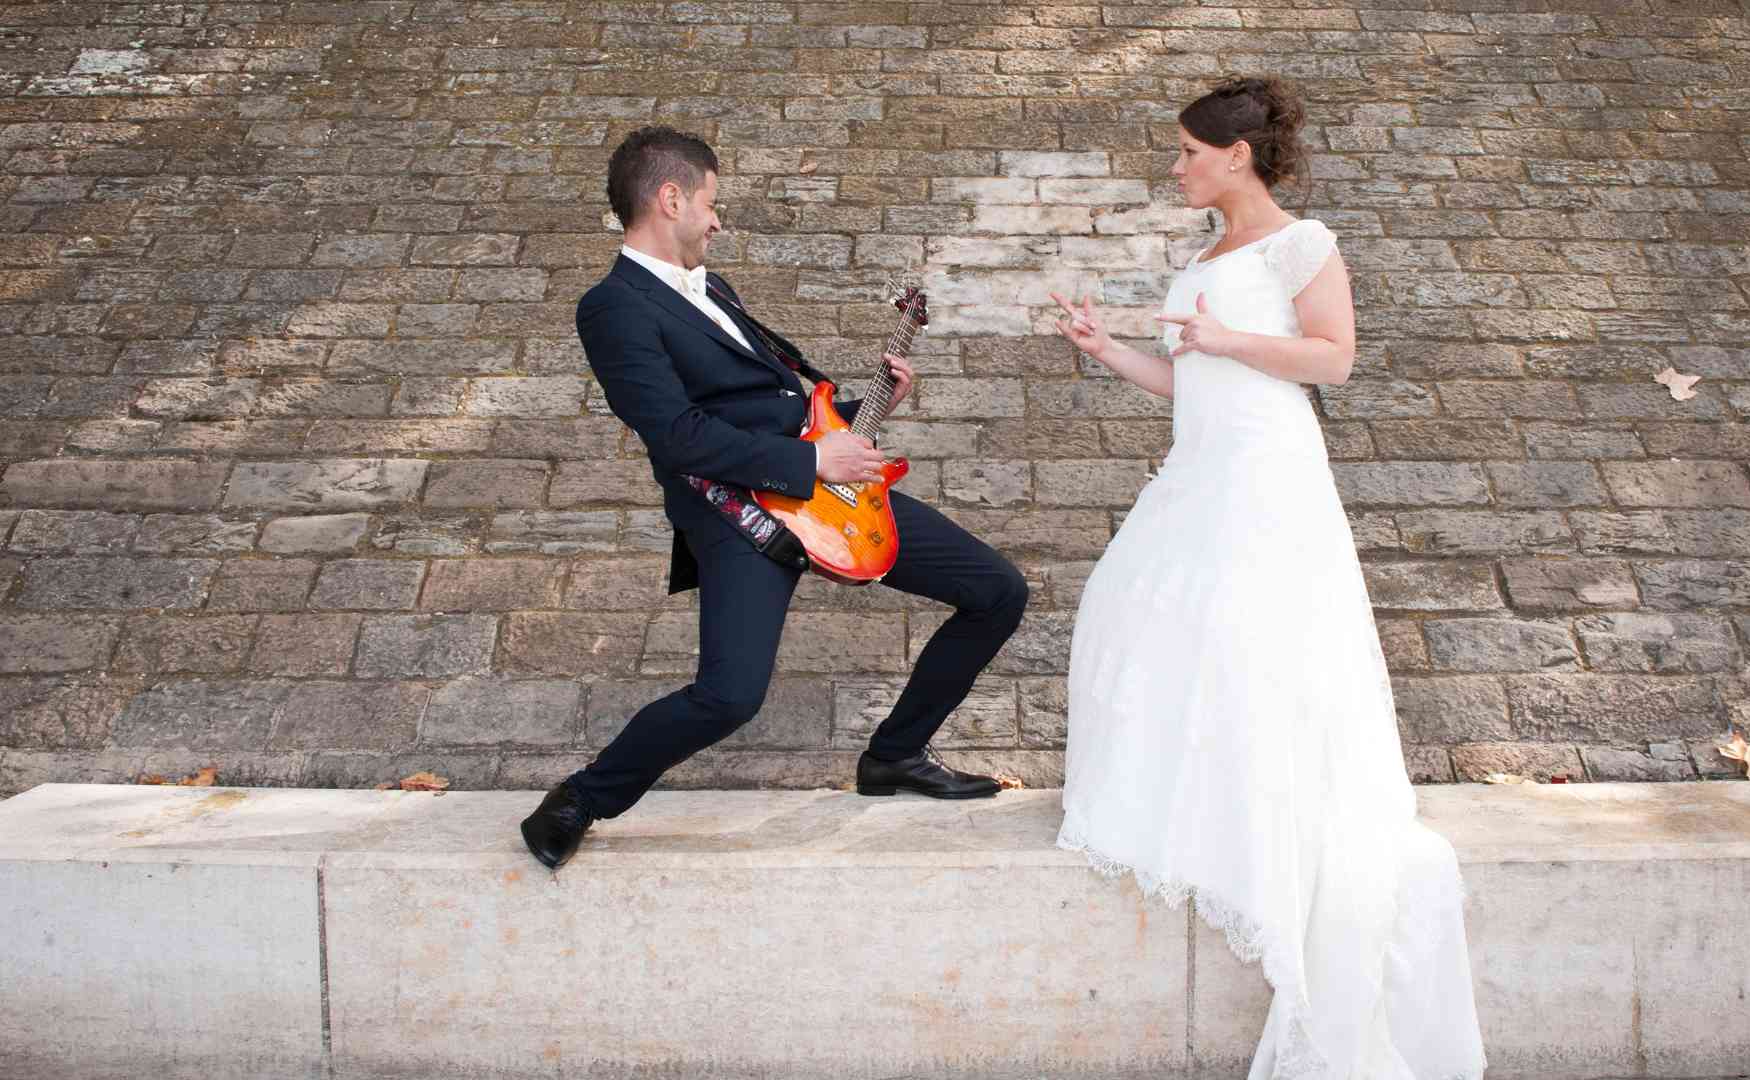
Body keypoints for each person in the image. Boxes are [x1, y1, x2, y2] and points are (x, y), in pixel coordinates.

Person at [1051, 79, 1488, 1078]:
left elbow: (1334, 359)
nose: (1177, 168)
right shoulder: (1198, 256)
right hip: (1202, 463)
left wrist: (1230, 338)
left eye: (1188, 152)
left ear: (1237, 155)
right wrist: (1109, 347)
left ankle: (1263, 812)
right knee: (1128, 608)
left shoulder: (1304, 244)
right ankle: (1187, 799)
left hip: (1268, 470)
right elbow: (1188, 378)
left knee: (1259, 637)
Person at [521, 126, 1028, 870]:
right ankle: (581, 798)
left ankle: (894, 753)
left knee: (997, 591)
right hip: (740, 517)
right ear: (670, 198)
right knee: (729, 697)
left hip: (822, 494)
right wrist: (815, 459)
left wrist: (865, 407)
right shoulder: (613, 307)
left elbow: (777, 401)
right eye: (710, 202)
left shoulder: (712, 288)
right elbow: (678, 433)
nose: (717, 219)